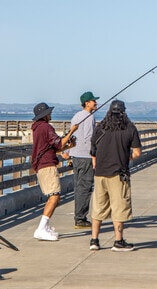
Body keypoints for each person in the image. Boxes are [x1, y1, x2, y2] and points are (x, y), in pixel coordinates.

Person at [89, 100, 141, 252]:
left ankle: (94, 240)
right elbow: (137, 152)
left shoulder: (100, 128)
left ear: (109, 112)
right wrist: (126, 157)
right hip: (119, 175)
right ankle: (118, 241)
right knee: (119, 208)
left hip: (99, 174)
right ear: (124, 112)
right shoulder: (130, 128)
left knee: (98, 208)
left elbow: (93, 152)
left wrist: (97, 164)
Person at [30, 102, 78, 241]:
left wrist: (69, 145)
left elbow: (54, 149)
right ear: (44, 115)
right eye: (48, 113)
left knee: (54, 196)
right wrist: (72, 131)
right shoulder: (46, 127)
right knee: (55, 196)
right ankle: (41, 228)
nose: (50, 115)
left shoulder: (37, 128)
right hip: (47, 165)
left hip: (42, 164)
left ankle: (45, 227)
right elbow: (59, 143)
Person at [67, 91, 99, 229]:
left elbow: (72, 135)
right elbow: (89, 138)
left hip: (76, 155)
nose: (96, 103)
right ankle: (80, 218)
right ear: (87, 103)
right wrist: (94, 156)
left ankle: (79, 216)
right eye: (93, 101)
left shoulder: (76, 116)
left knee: (78, 187)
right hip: (85, 156)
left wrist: (68, 151)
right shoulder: (89, 116)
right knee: (85, 187)